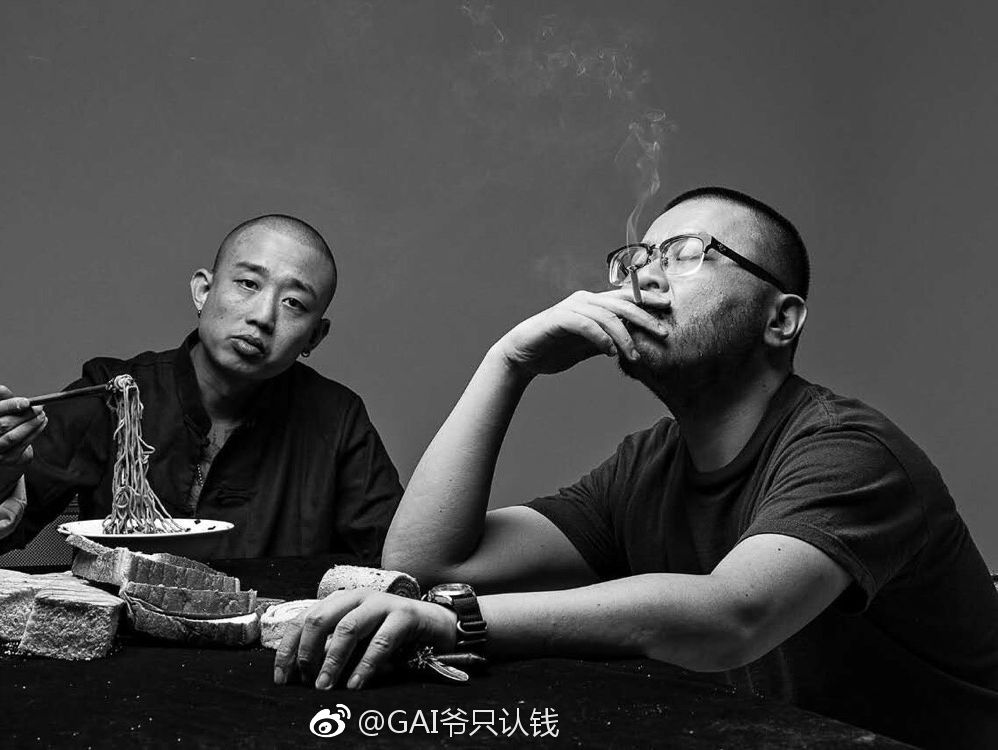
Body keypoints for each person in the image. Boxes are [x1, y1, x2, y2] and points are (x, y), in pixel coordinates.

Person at [273, 188, 998, 749]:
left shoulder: (849, 452)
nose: (643, 277)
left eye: (685, 253)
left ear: (780, 319)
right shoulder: (647, 465)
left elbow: (730, 616)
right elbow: (425, 561)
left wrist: (455, 622)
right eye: (636, 259)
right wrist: (508, 362)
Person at [0, 214, 403, 563]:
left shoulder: (336, 419)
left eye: (294, 302)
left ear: (314, 337)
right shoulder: (114, 394)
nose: (263, 316)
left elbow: (398, 557)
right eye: (247, 284)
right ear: (203, 291)